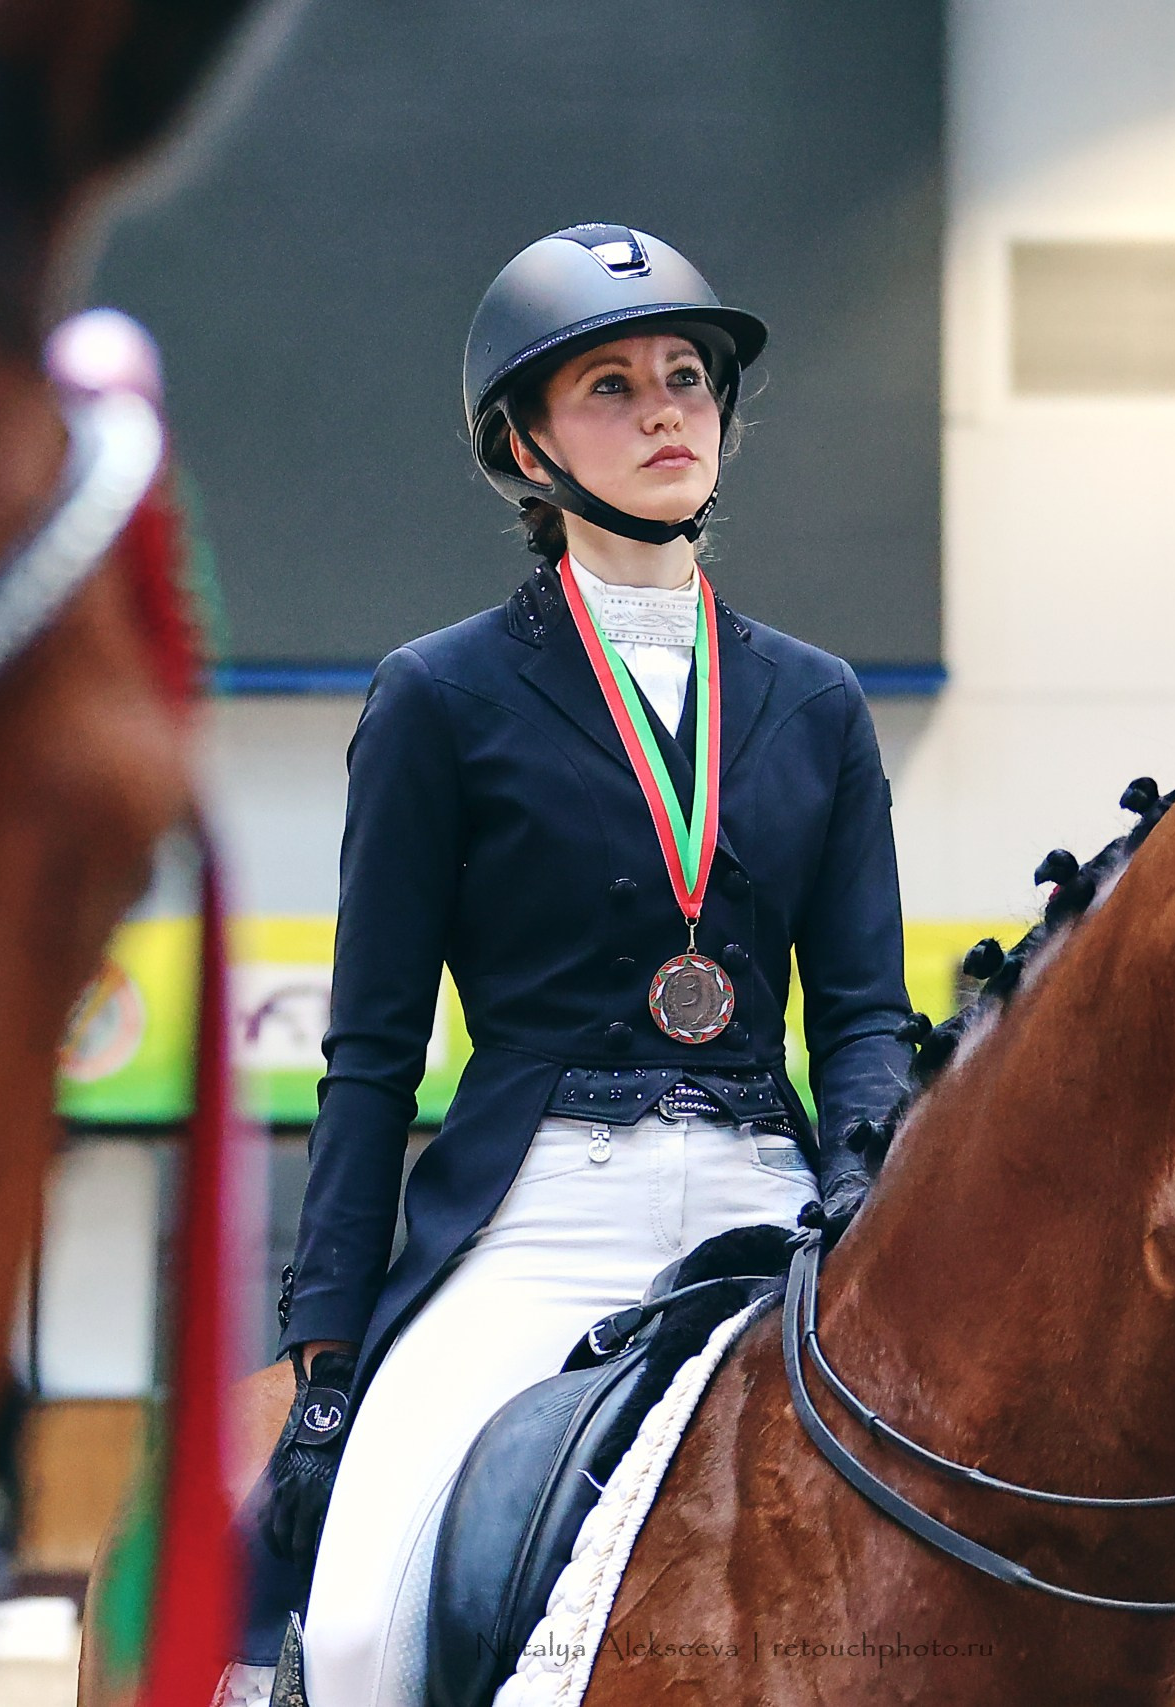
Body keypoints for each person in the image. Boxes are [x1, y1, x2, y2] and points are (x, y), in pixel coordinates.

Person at [247, 224, 914, 1707]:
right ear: (526, 448)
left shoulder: (815, 702)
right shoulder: (440, 696)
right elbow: (372, 1049)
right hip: (542, 1211)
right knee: (357, 1632)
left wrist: (865, 1190)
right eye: (611, 386)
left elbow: (865, 1010)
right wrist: (327, 1339)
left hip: (772, 1200)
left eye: (689, 377)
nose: (669, 408)